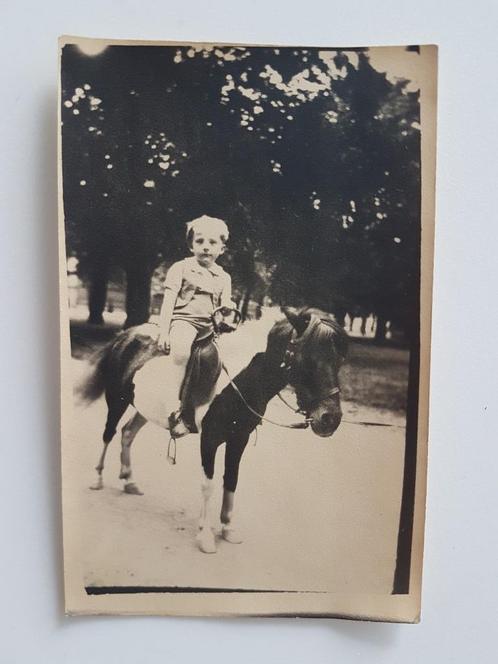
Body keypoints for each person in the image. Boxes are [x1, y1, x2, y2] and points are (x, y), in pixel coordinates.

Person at [158, 215, 234, 437]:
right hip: (185, 321)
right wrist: (164, 330)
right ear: (191, 245)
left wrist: (228, 309)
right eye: (200, 242)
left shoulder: (224, 277)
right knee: (180, 351)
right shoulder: (181, 268)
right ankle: (173, 406)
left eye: (212, 243)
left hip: (210, 327)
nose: (206, 248)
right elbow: (169, 300)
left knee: (225, 360)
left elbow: (225, 304)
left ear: (222, 249)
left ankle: (207, 407)